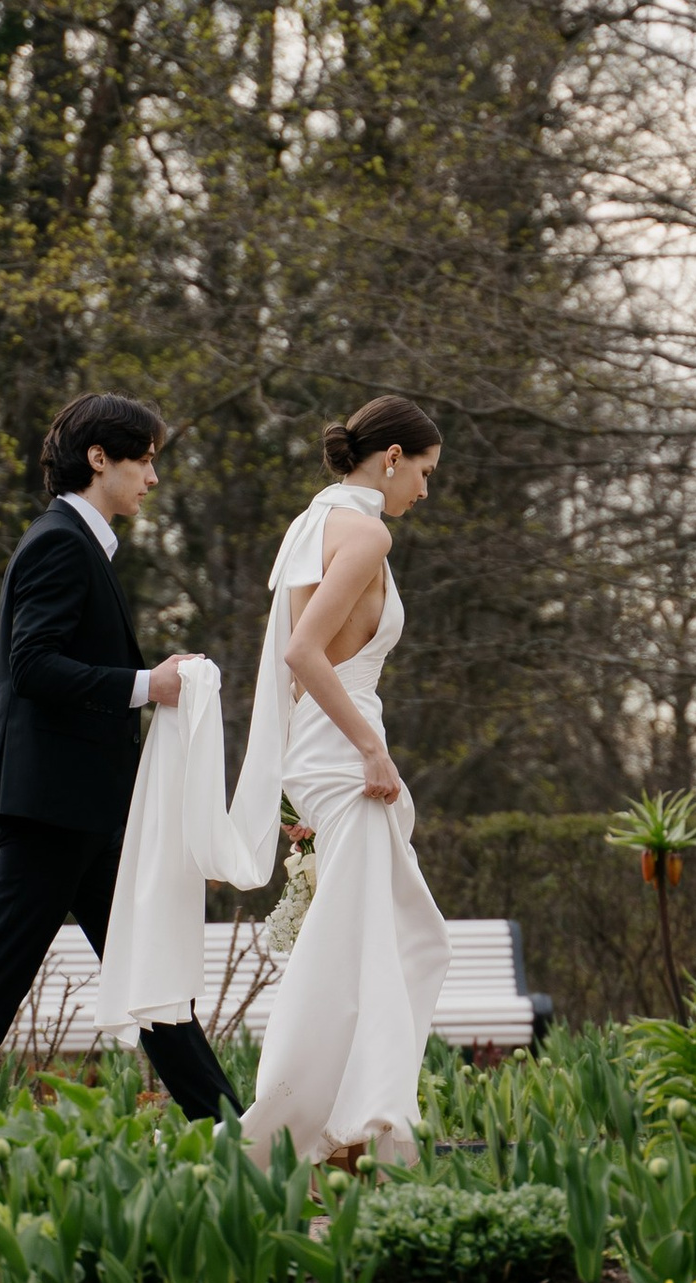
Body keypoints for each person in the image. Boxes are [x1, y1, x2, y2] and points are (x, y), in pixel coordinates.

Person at [93, 391, 450, 1163]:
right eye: (423, 471)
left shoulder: (311, 524)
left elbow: (293, 672)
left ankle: (346, 1125)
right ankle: (347, 1126)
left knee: (384, 938)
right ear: (391, 459)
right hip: (351, 756)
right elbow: (302, 656)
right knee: (393, 943)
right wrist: (371, 751)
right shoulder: (364, 537)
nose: (424, 489)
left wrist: (298, 785)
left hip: (324, 755)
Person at [0, 391, 235, 1127]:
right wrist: (145, 685)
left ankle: (229, 1129)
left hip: (81, 808)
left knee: (149, 976)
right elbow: (33, 667)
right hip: (52, 808)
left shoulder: (78, 542)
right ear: (100, 459)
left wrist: (146, 685)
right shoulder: (60, 542)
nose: (153, 479)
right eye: (145, 460)